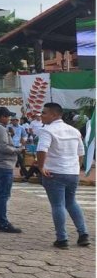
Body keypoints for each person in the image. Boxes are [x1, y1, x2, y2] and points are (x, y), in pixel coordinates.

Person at [35, 103, 89, 249]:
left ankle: (62, 238)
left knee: (57, 205)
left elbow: (41, 150)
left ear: (54, 115)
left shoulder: (47, 131)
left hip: (54, 172)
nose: (41, 115)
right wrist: (76, 167)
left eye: (44, 113)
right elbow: (81, 152)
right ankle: (83, 234)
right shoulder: (74, 130)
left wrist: (41, 167)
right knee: (71, 202)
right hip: (72, 172)